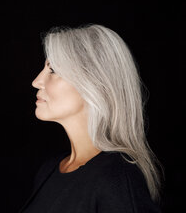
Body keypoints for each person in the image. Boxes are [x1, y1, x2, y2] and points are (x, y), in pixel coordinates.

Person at [20, 24, 162, 212]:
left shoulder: (116, 177)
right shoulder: (49, 170)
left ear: (94, 84)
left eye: (53, 70)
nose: (36, 81)